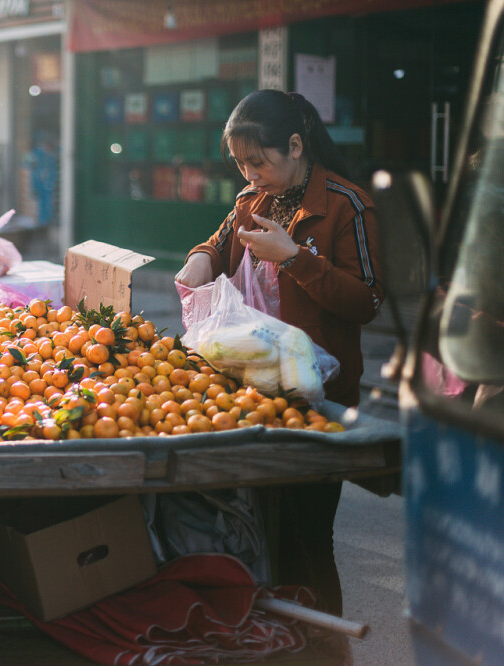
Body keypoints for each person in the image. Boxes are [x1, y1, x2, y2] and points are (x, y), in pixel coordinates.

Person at [175, 90, 384, 615]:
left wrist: (294, 259)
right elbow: (218, 243)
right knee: (261, 535)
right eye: (241, 163)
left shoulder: (347, 205)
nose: (250, 174)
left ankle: (323, 645)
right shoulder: (252, 201)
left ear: (295, 145)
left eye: (259, 161)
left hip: (320, 400)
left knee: (308, 539)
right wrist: (200, 259)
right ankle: (279, 640)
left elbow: (366, 302)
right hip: (256, 392)